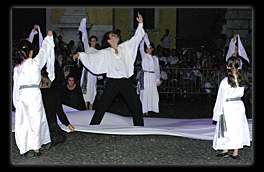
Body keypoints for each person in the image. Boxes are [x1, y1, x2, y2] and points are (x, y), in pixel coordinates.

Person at [73, 12, 145, 126]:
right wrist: (80, 55)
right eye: (113, 35)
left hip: (125, 81)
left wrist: (140, 24)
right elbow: (93, 57)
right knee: (103, 105)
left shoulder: (125, 47)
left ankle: (139, 126)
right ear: (109, 40)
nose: (115, 35)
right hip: (113, 81)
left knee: (136, 104)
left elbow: (136, 39)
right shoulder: (106, 52)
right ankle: (94, 125)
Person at [12, 30, 55, 157]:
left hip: (22, 95)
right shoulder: (35, 63)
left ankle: (23, 148)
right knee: (35, 119)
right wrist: (48, 38)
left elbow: (16, 87)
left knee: (22, 121)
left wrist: (16, 101)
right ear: (30, 52)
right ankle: (36, 148)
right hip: (34, 93)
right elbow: (44, 51)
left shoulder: (17, 69)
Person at [212, 56, 250, 159]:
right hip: (238, 105)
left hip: (228, 106)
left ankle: (226, 149)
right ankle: (235, 152)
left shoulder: (225, 81)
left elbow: (220, 98)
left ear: (227, 66)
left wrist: (217, 112)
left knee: (227, 128)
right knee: (237, 128)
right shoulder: (241, 79)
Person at [40, 72, 75, 148]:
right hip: (51, 124)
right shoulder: (54, 93)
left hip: (40, 124)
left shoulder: (37, 94)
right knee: (59, 136)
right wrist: (68, 124)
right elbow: (59, 111)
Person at [78, 18, 103, 110]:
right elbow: (84, 38)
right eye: (91, 41)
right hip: (86, 73)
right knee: (85, 90)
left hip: (93, 73)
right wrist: (83, 28)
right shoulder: (87, 49)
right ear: (90, 42)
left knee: (92, 90)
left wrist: (99, 75)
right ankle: (85, 108)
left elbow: (99, 63)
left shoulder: (98, 52)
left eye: (94, 41)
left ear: (96, 42)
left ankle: (91, 109)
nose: (92, 42)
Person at [138, 33, 160, 116]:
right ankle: (144, 110)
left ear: (152, 49)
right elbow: (140, 47)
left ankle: (150, 108)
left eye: (150, 48)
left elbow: (157, 70)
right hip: (145, 76)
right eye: (147, 48)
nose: (149, 50)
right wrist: (143, 37)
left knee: (152, 92)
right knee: (144, 92)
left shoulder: (155, 59)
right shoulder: (144, 56)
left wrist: (157, 80)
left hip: (152, 76)